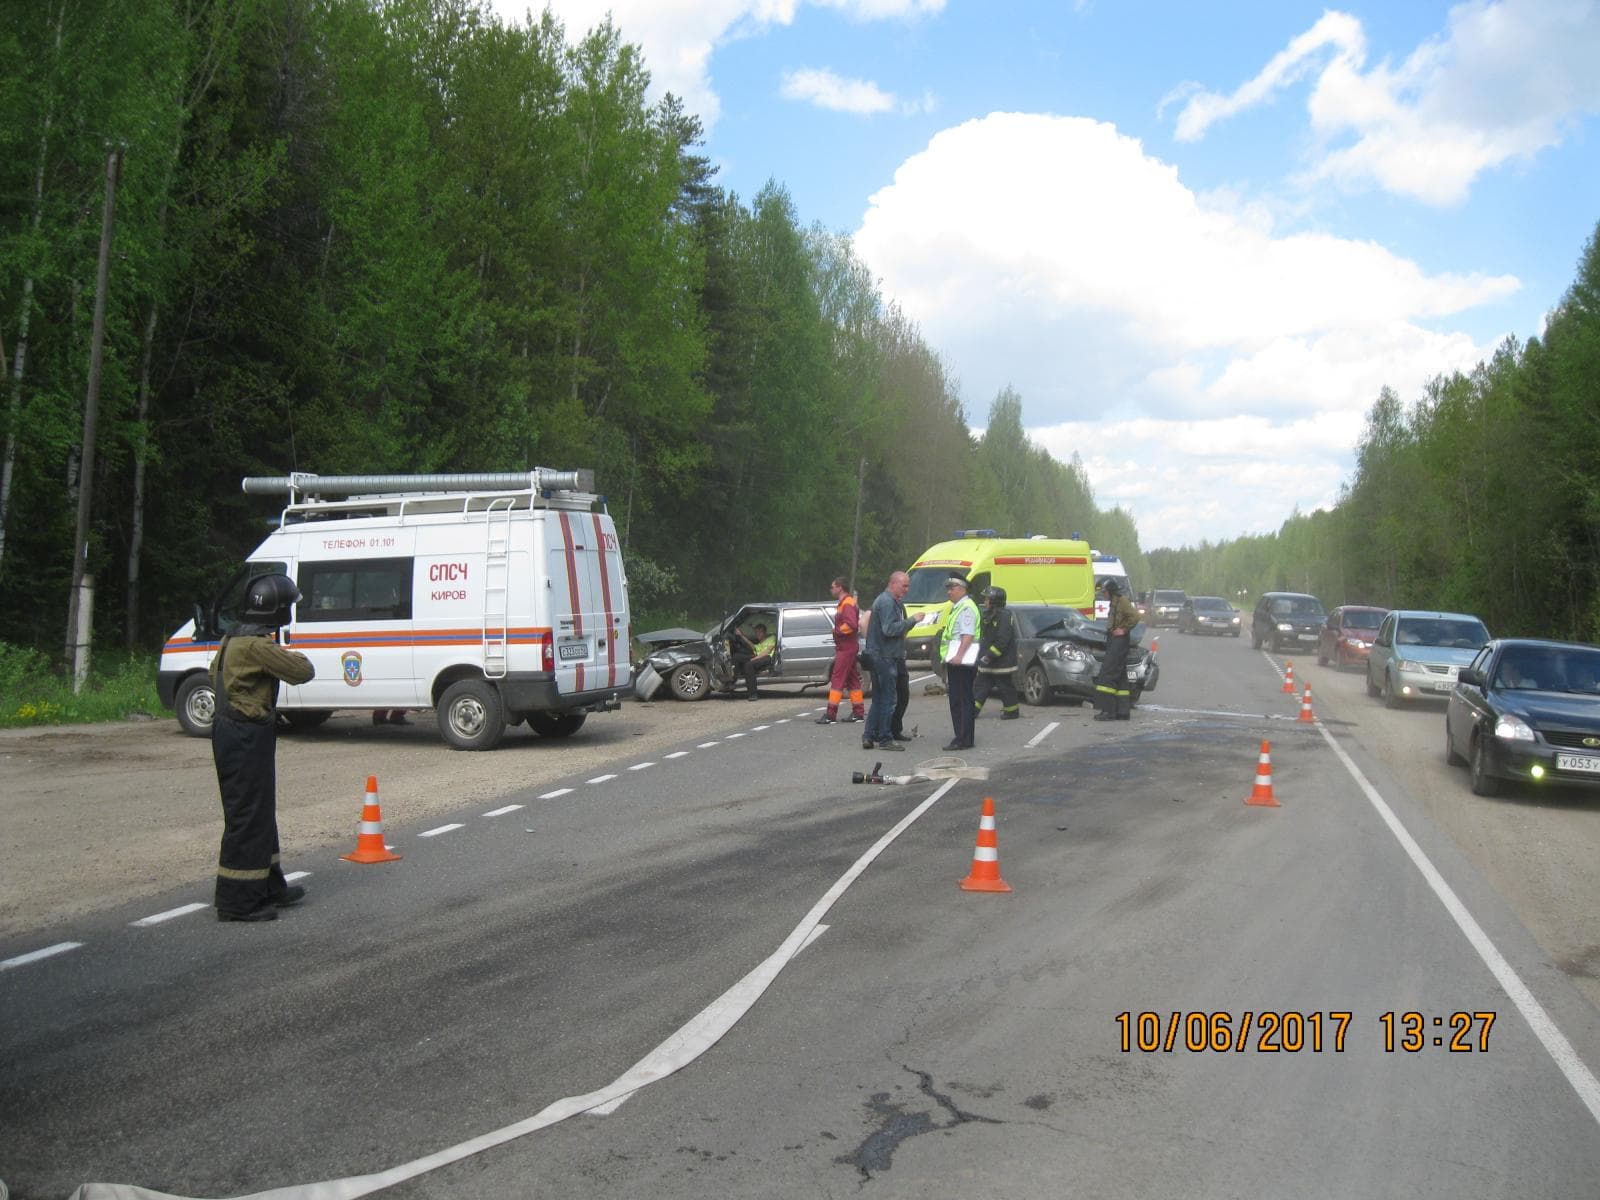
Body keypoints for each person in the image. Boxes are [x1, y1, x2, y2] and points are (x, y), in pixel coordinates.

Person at [210, 573, 315, 922]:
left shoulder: (232, 639)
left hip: (237, 731)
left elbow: (214, 676)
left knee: (259, 812)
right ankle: (237, 901)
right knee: (247, 815)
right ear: (277, 609)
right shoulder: (255, 646)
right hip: (244, 734)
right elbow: (302, 671)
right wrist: (282, 654)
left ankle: (268, 885)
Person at [864, 570, 915, 752]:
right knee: (888, 699)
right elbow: (889, 629)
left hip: (880, 655)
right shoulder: (887, 602)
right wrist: (912, 621)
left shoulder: (890, 601)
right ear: (893, 583)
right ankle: (885, 738)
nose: (907, 589)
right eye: (904, 585)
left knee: (879, 699)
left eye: (908, 586)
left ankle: (869, 735)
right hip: (884, 657)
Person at [816, 576, 866, 725]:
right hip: (848, 646)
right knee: (852, 680)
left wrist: (836, 631)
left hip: (846, 647)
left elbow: (851, 625)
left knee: (837, 679)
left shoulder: (847, 603)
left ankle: (830, 714)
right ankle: (858, 712)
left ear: (840, 588)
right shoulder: (845, 603)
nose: (831, 589)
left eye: (832, 587)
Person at [939, 575, 981, 750]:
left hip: (961, 662)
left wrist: (959, 656)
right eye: (948, 588)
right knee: (961, 699)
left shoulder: (966, 608)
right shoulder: (959, 607)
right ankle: (964, 737)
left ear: (962, 589)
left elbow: (968, 635)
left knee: (961, 701)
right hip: (957, 660)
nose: (949, 592)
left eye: (952, 588)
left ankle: (962, 739)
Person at [1093, 576, 1139, 721]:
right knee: (1120, 677)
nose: (1103, 595)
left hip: (1119, 641)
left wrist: (1123, 630)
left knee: (1107, 675)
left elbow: (1135, 616)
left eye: (1104, 592)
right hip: (1115, 641)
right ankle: (1122, 711)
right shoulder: (1114, 602)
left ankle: (1108, 711)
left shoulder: (1122, 601)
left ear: (1111, 590)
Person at [972, 585, 1020, 721]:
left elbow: (1002, 640)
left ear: (994, 601)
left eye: (987, 599)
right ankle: (972, 710)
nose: (985, 602)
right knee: (980, 686)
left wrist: (989, 655)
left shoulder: (1004, 616)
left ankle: (1012, 712)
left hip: (1001, 662)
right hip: (988, 661)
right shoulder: (988, 615)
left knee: (1005, 687)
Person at [730, 622, 775, 700]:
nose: (757, 634)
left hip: (767, 657)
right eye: (756, 632)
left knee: (748, 665)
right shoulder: (760, 643)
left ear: (764, 632)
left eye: (759, 632)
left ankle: (753, 694)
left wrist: (753, 659)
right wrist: (741, 635)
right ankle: (733, 680)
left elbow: (767, 651)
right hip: (758, 656)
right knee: (736, 657)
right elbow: (753, 646)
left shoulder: (772, 638)